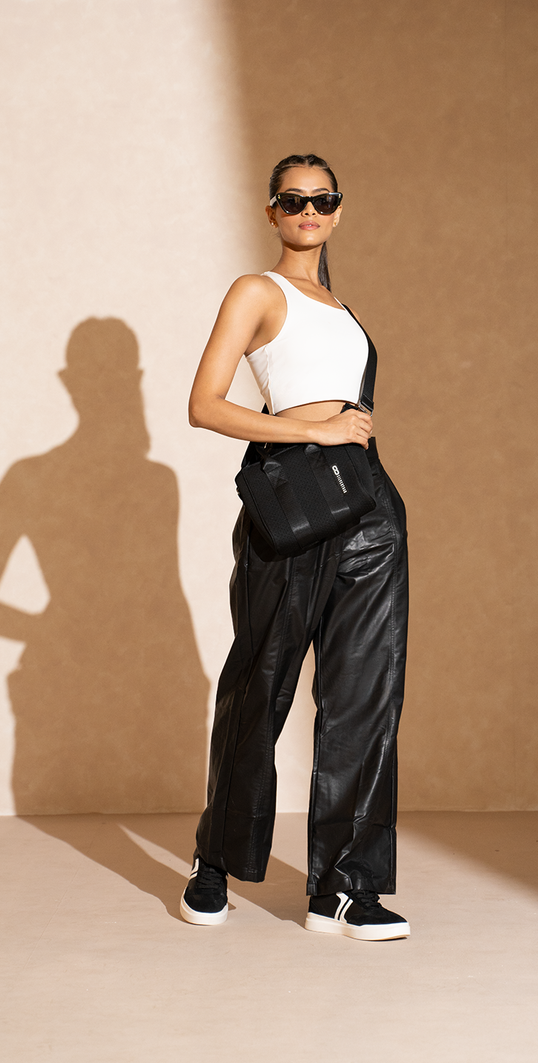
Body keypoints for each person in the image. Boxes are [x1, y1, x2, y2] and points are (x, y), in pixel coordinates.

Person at [181, 154, 410, 941]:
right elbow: (205, 405)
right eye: (293, 198)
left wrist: (350, 444)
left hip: (369, 504)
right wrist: (316, 428)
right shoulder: (257, 290)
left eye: (322, 198)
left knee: (365, 695)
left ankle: (344, 888)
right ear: (272, 210)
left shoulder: (343, 308)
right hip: (294, 497)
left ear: (338, 210)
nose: (308, 210)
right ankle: (215, 859)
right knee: (262, 679)